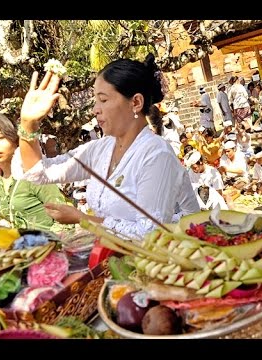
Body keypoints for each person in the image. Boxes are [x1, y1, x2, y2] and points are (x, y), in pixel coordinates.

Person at [17, 54, 199, 239]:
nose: (95, 109)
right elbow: (40, 173)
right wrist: (28, 124)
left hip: (160, 261)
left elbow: (150, 233)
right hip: (114, 258)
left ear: (135, 102)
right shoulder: (101, 149)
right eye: (96, 100)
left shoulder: (156, 155)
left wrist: (82, 219)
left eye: (103, 100)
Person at [0, 113, 69, 231]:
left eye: (0, 137)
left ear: (15, 139)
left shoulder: (33, 174)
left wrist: (46, 244)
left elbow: (65, 221)